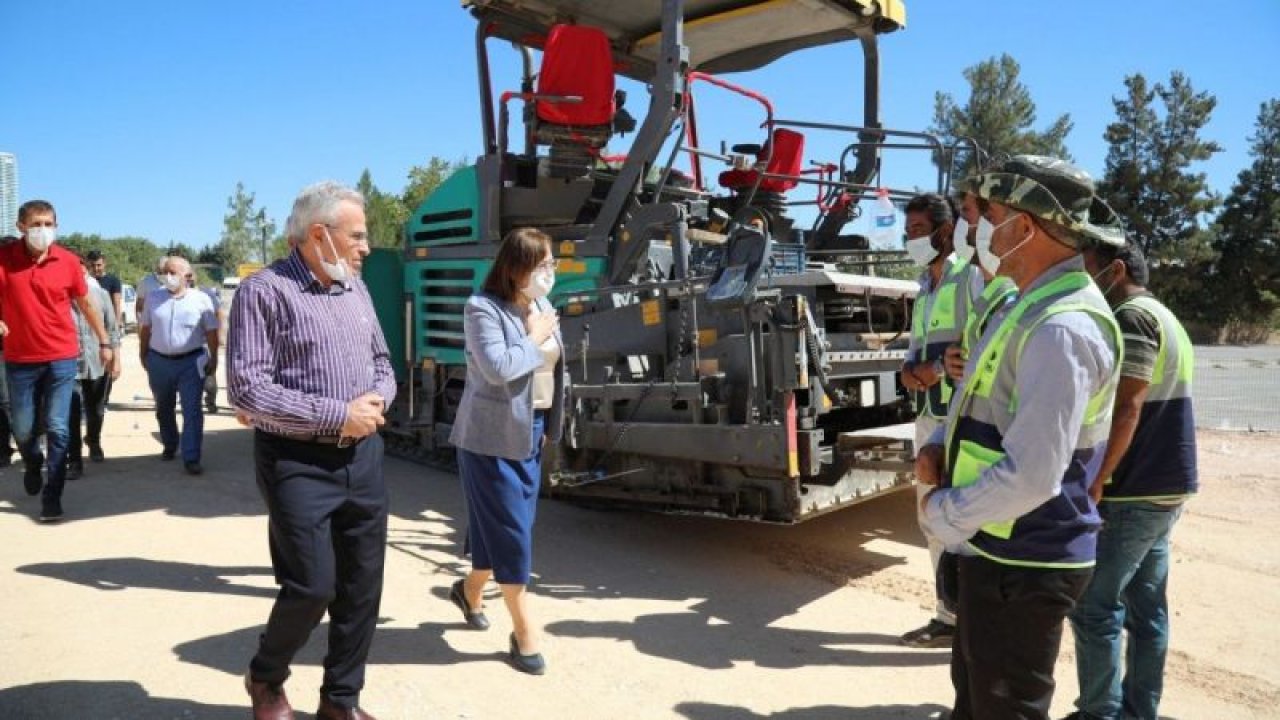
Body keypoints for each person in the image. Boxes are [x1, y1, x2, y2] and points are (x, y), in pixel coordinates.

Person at [917, 156, 1124, 720]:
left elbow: (1033, 474)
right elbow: (983, 399)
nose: (977, 227)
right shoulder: (1022, 305)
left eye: (990, 214)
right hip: (995, 549)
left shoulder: (1062, 327)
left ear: (1024, 228)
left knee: (1005, 709)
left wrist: (943, 513)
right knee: (977, 699)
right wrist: (941, 445)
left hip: (1025, 561)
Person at [229, 181, 393, 720]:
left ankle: (340, 702)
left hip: (363, 457)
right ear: (319, 235)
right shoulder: (264, 292)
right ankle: (266, 676)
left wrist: (374, 403)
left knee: (362, 588)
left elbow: (383, 364)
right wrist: (336, 413)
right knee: (312, 586)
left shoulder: (357, 289)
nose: (365, 246)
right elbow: (247, 390)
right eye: (358, 235)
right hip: (296, 460)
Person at [1064, 237, 1198, 720]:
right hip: (1166, 484)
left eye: (1086, 268)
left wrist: (1098, 478)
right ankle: (1139, 711)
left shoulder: (1131, 317)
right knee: (1147, 610)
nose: (1082, 279)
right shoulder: (1167, 317)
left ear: (1114, 270)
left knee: (1094, 606)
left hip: (1135, 487)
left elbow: (1128, 404)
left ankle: (1098, 712)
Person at [449, 227, 564, 676]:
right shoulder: (483, 309)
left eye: (552, 264)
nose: (549, 273)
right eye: (542, 266)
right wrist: (532, 337)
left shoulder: (542, 306)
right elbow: (498, 370)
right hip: (489, 438)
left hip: (531, 432)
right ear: (515, 267)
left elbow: (556, 370)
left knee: (505, 528)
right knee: (513, 533)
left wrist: (551, 424)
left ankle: (468, 589)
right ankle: (524, 633)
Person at [0, 200, 114, 522]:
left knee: (58, 427)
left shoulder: (66, 260)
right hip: (20, 359)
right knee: (23, 430)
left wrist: (105, 341)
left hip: (62, 357)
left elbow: (86, 305)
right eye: (36, 224)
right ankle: (33, 461)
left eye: (49, 223)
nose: (43, 230)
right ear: (20, 226)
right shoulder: (4, 259)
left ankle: (53, 496)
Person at [896, 193, 969, 649]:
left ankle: (967, 619)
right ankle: (948, 616)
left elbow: (971, 348)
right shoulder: (925, 286)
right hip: (928, 417)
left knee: (961, 520)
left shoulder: (970, 279)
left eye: (918, 231)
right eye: (908, 232)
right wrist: (909, 371)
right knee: (931, 519)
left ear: (946, 232)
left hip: (961, 418)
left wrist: (938, 369)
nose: (911, 240)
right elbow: (913, 354)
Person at [139, 256, 218, 475]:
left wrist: (214, 359)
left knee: (192, 410)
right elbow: (145, 328)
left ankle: (191, 456)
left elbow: (212, 331)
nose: (168, 276)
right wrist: (143, 353)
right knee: (163, 407)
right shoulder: (153, 298)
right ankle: (170, 443)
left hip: (191, 362)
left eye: (173, 272)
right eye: (165, 272)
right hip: (159, 361)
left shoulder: (201, 299)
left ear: (188, 276)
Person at [68, 267, 121, 476]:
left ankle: (93, 440)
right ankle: (74, 459)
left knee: (96, 409)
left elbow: (112, 330)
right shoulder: (60, 297)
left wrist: (116, 360)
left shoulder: (100, 295)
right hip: (69, 364)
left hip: (98, 362)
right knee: (70, 413)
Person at [86, 249, 124, 404]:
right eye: (93, 265)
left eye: (99, 265)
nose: (96, 268)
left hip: (107, 328)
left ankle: (103, 398)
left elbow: (116, 302)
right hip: (89, 329)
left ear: (104, 263)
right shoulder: (86, 282)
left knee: (109, 366)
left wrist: (116, 323)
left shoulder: (112, 280)